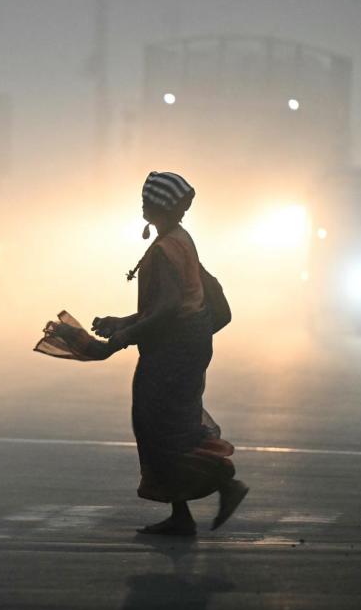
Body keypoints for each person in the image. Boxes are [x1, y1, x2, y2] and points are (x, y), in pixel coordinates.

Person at [38, 172, 247, 535]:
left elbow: (166, 309)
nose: (142, 205)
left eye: (146, 200)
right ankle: (182, 514)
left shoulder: (165, 249)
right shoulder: (180, 240)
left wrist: (123, 337)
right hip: (188, 348)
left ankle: (222, 485)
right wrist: (121, 322)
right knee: (172, 426)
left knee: (157, 427)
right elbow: (174, 303)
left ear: (158, 206)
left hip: (172, 352)